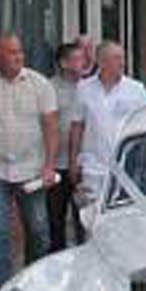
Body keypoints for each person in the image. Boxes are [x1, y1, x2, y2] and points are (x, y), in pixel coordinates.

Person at [0, 34, 58, 291]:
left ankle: (32, 283)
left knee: (39, 230)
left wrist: (49, 165)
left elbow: (51, 126)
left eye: (20, 52)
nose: (18, 57)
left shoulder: (40, 85)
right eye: (12, 52)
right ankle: (3, 290)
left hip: (32, 169)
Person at [69, 41, 146, 205]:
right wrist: (73, 161)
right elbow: (77, 126)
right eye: (116, 58)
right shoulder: (83, 89)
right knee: (90, 217)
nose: (122, 63)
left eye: (122, 58)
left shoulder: (136, 90)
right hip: (92, 166)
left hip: (127, 167)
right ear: (101, 62)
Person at [47, 42, 88, 250]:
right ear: (64, 63)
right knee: (56, 219)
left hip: (84, 163)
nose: (84, 63)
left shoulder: (90, 87)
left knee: (85, 218)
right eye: (78, 58)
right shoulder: (49, 88)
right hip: (57, 164)